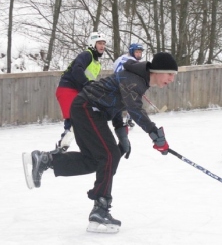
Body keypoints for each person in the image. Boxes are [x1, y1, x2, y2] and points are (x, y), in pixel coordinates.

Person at [23, 52, 178, 233]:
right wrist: (153, 132)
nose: (172, 79)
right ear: (158, 71)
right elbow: (134, 108)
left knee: (96, 161)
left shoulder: (138, 79)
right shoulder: (135, 80)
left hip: (88, 109)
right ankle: (100, 210)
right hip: (87, 107)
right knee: (109, 155)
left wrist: (122, 135)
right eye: (170, 74)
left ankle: (45, 160)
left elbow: (118, 104)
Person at [54, 31, 106, 153]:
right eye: (99, 43)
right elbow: (77, 70)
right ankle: (60, 150)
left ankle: (64, 148)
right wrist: (87, 84)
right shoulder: (86, 55)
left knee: (83, 121)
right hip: (67, 89)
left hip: (76, 91)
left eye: (104, 43)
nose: (102, 46)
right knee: (74, 121)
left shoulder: (96, 62)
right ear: (92, 44)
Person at [113, 43, 144, 127]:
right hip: (124, 85)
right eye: (137, 52)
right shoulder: (131, 61)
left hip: (118, 84)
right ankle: (127, 121)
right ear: (131, 51)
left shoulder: (121, 58)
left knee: (121, 104)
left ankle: (124, 121)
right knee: (131, 102)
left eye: (140, 52)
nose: (139, 54)